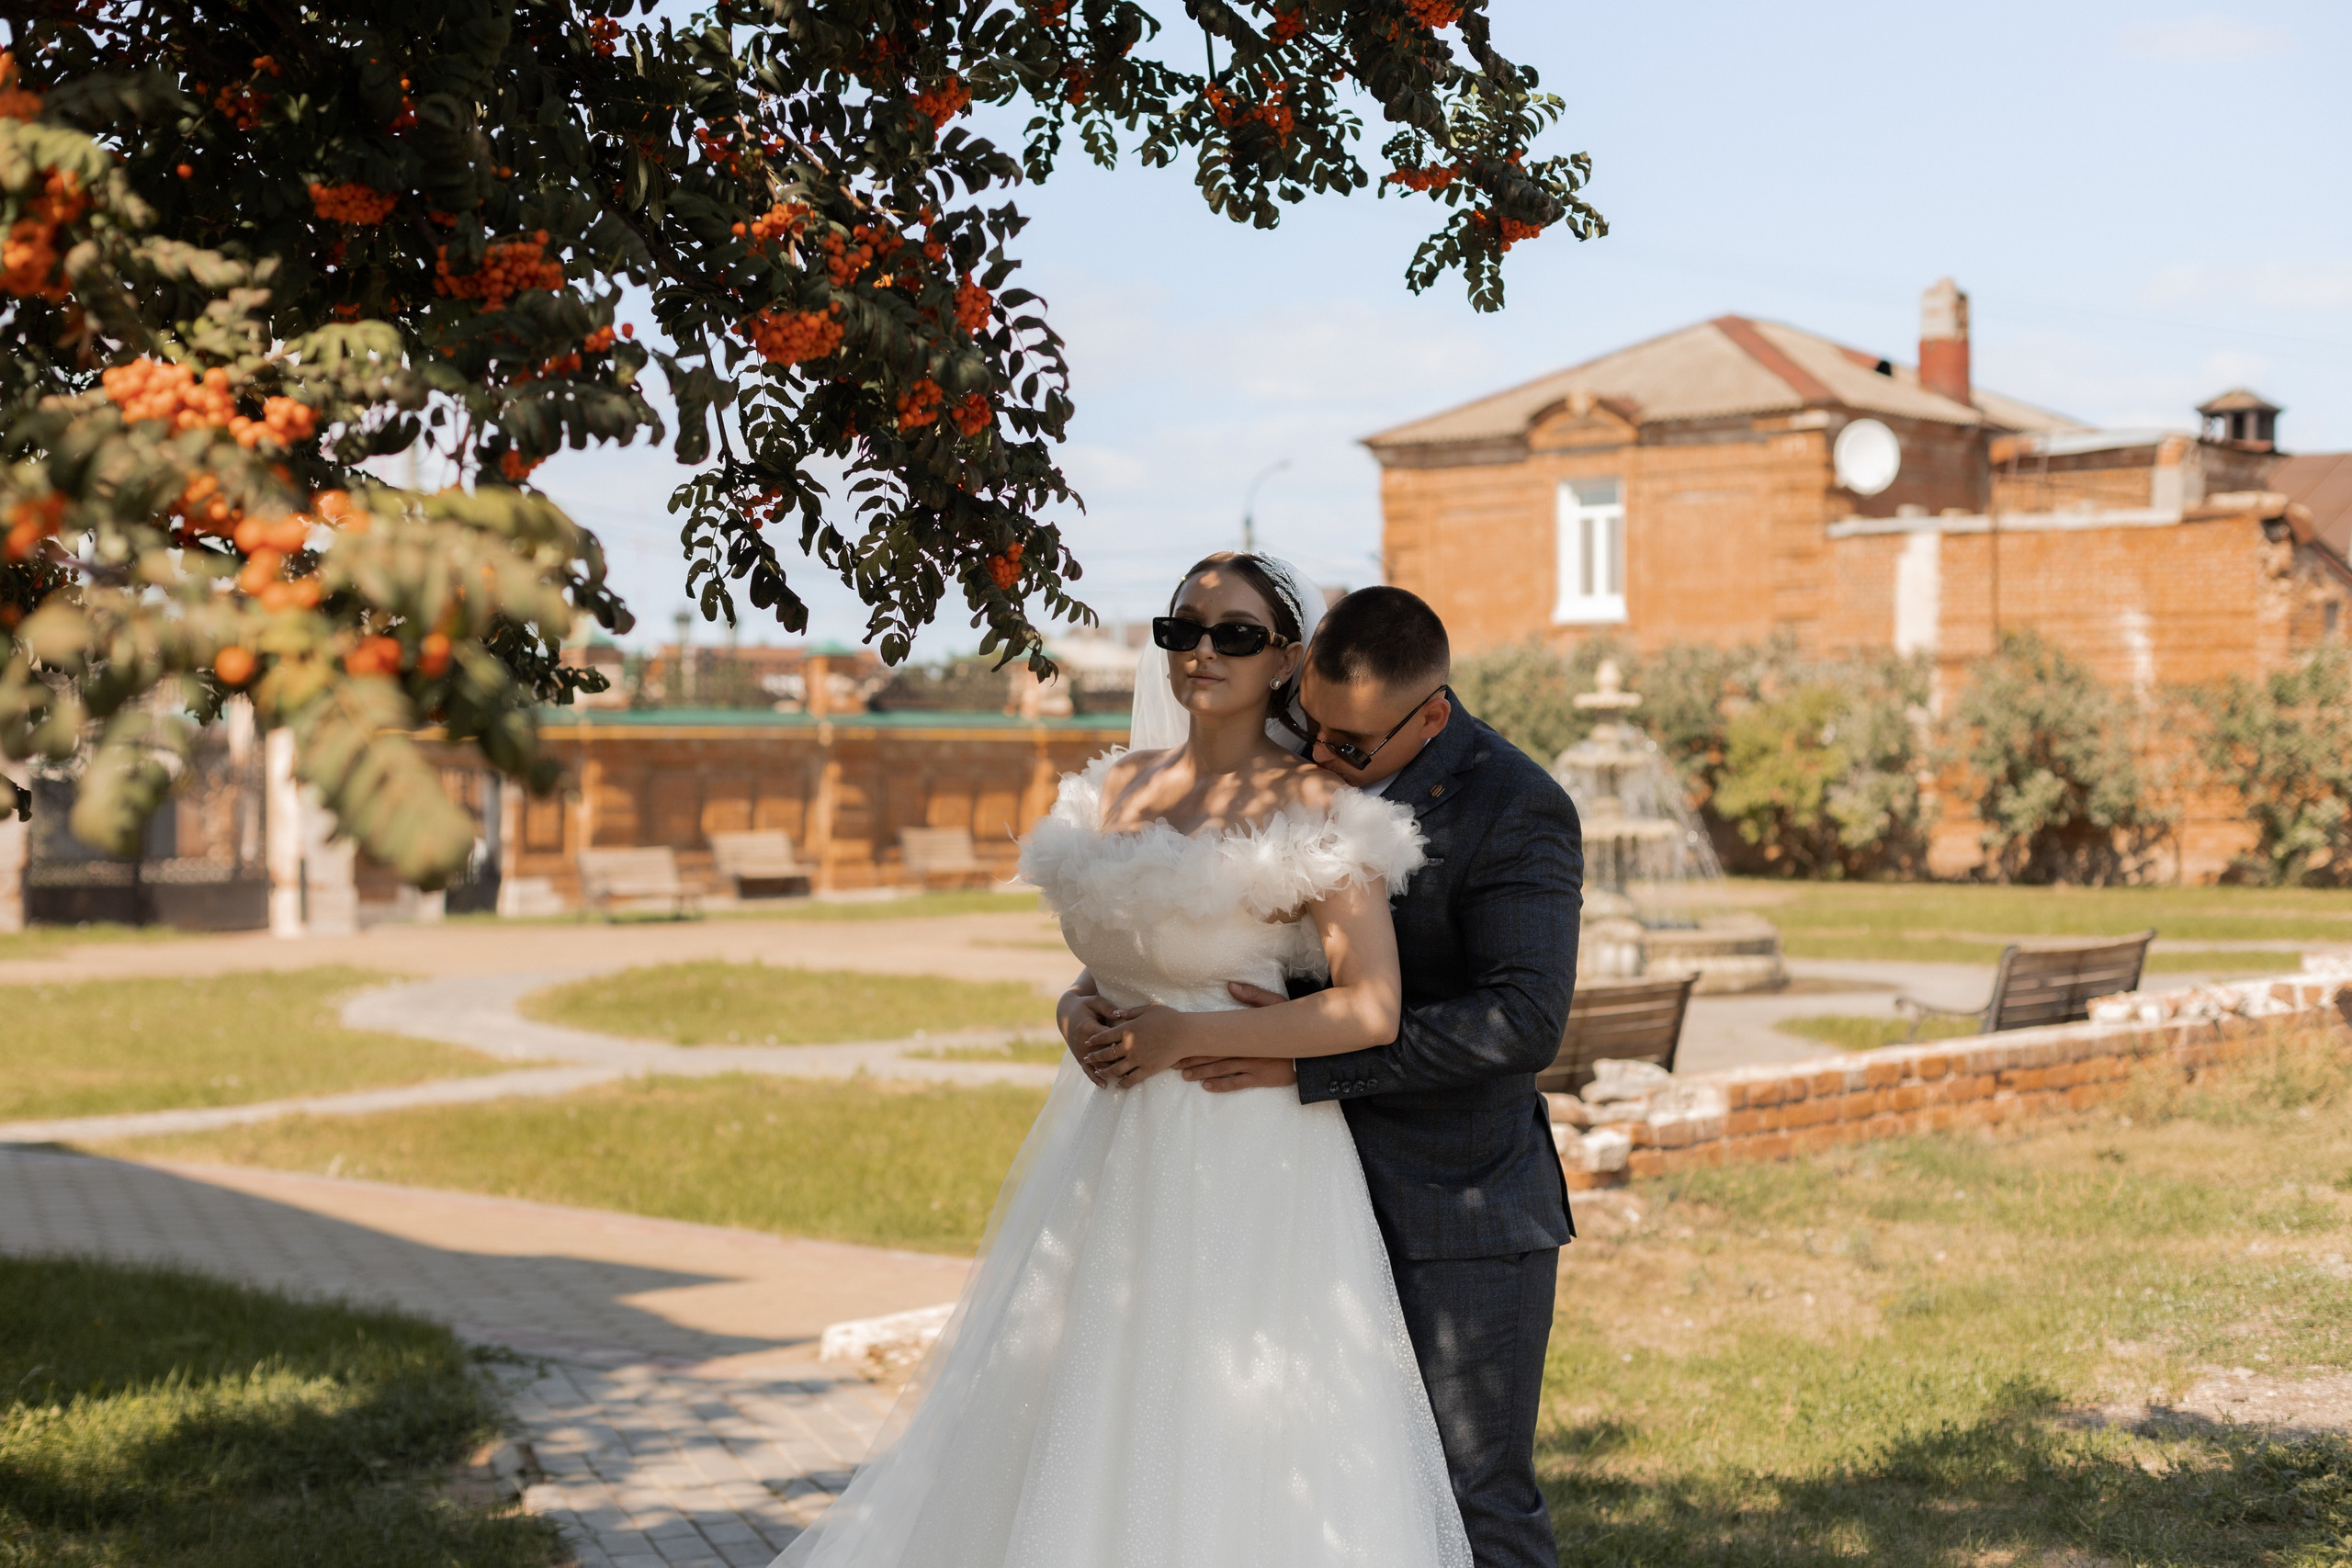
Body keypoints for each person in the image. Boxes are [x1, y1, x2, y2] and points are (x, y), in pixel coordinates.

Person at [771, 553, 1472, 1568]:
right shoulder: (1115, 787)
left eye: (1235, 634)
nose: (1201, 652)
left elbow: (1371, 1008)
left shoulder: (1317, 806)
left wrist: (1191, 1034)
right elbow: (1111, 961)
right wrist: (1073, 1008)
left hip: (1248, 1149)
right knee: (1081, 1383)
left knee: (1231, 1400)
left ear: (1285, 658)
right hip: (1107, 1146)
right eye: (1181, 629)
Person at [1178, 585, 1585, 1568]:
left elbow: (1521, 1020)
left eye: (1351, 746)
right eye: (1309, 725)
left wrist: (1303, 1055)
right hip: (1290, 1191)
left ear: (1432, 716)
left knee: (1473, 1493)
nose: (1319, 755)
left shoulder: (1517, 807)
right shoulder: (1303, 752)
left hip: (1458, 1209)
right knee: (1321, 1482)